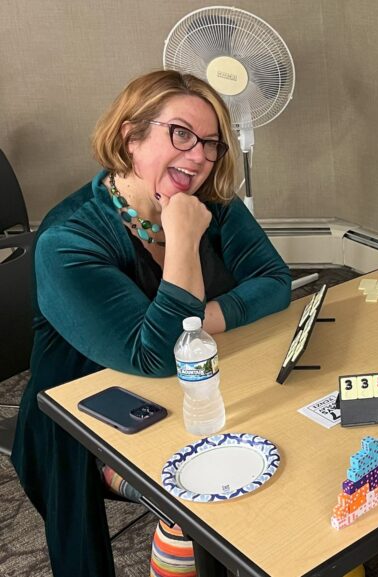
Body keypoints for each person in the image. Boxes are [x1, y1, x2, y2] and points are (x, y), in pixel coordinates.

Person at [11, 70, 292, 577]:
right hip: (88, 422)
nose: (199, 156)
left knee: (290, 445)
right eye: (180, 133)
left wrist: (201, 320)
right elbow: (158, 357)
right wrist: (182, 237)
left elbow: (273, 280)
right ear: (130, 135)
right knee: (195, 500)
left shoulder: (215, 204)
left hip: (197, 388)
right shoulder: (69, 239)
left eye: (211, 144)